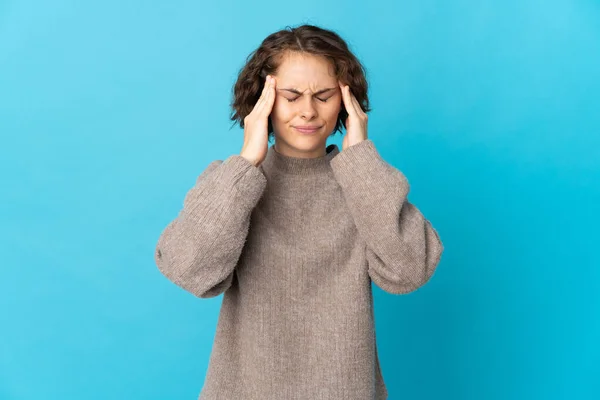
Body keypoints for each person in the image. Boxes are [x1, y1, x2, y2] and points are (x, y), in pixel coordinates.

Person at [154, 23, 444, 400]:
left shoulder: (366, 187)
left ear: (346, 101)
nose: (308, 111)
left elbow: (409, 271)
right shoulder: (231, 185)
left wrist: (361, 163)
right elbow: (186, 268)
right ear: (264, 101)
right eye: (291, 96)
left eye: (323, 96)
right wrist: (246, 164)